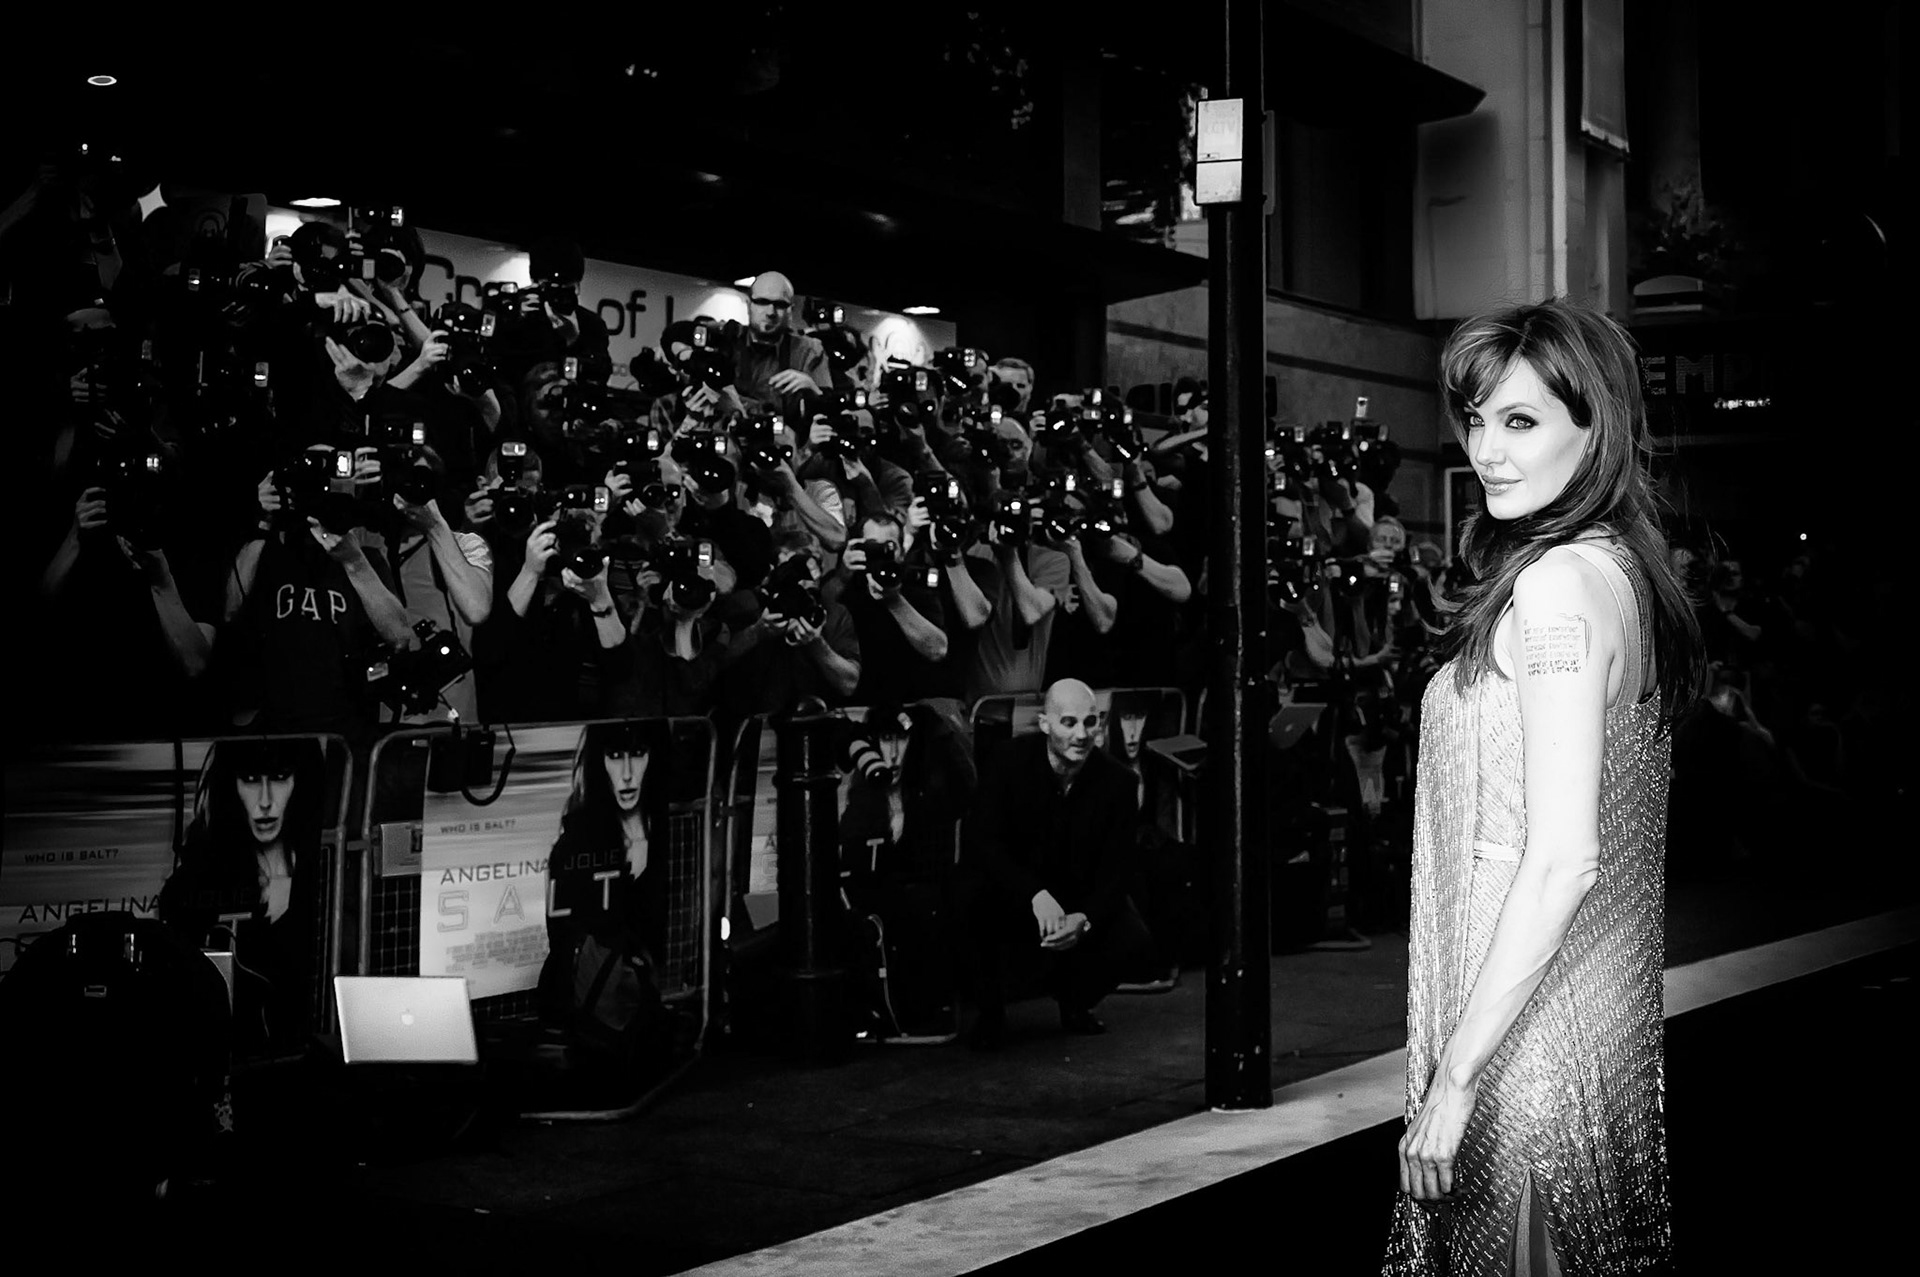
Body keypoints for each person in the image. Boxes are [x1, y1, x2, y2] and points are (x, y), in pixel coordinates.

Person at [1383, 298, 1702, 1275]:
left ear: (1594, 426)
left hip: (1525, 1042)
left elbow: (1563, 855)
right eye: (1477, 420)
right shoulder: (1620, 577)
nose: (1488, 450)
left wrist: (1455, 1082)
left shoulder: (1559, 586)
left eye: (1521, 421)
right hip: (1583, 1027)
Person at [963, 679, 1151, 1048]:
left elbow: (1119, 870)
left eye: (1090, 722)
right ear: (1045, 724)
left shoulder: (1119, 783)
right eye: (1068, 722)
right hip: (1017, 889)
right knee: (968, 895)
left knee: (1134, 937)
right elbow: (983, 843)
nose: (1081, 734)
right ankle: (990, 1011)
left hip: (1075, 895)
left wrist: (1085, 918)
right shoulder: (1007, 761)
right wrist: (1033, 894)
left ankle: (1076, 1002)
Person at [158, 737, 329, 1057]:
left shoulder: (322, 870)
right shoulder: (203, 873)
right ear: (230, 785)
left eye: (279, 778)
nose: (265, 801)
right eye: (250, 780)